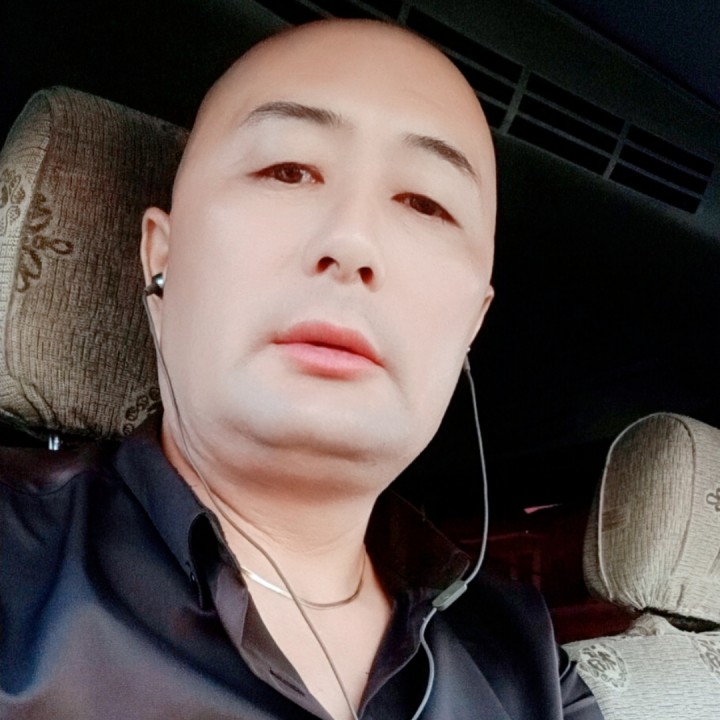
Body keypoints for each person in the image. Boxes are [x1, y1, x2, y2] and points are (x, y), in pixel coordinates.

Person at [0, 19, 603, 720]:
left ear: (473, 321)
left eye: (426, 203)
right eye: (287, 170)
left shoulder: (528, 663)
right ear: (163, 258)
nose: (352, 242)